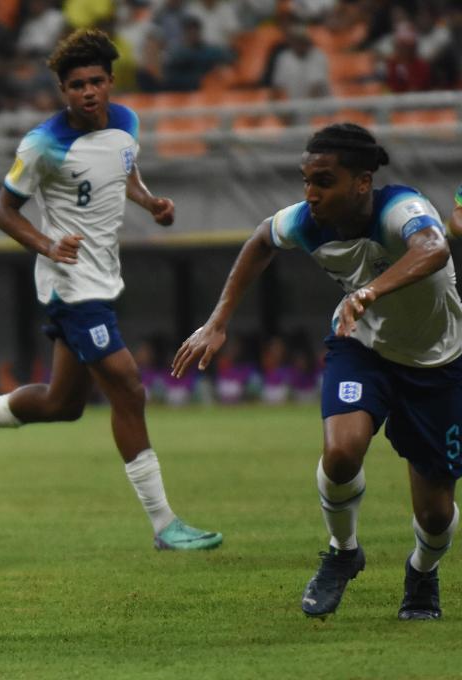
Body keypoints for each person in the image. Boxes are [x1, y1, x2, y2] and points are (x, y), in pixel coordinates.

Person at [0, 29, 222, 552]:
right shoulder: (42, 144)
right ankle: (164, 525)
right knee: (129, 388)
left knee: (64, 403)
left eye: (97, 82)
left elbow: (123, 170)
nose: (89, 92)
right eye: (77, 84)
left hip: (103, 279)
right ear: (63, 89)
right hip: (71, 286)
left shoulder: (127, 123)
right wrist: (44, 244)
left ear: (110, 82)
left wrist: (150, 202)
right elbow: (3, 210)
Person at [173, 123, 461, 620]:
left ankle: (422, 573)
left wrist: (369, 291)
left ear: (362, 182)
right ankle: (343, 551)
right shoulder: (306, 221)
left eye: (324, 181)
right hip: (364, 349)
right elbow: (261, 239)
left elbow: (434, 249)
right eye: (306, 180)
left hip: (438, 364)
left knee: (435, 516)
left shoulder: (402, 210)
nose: (311, 193)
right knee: (341, 451)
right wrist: (218, 320)